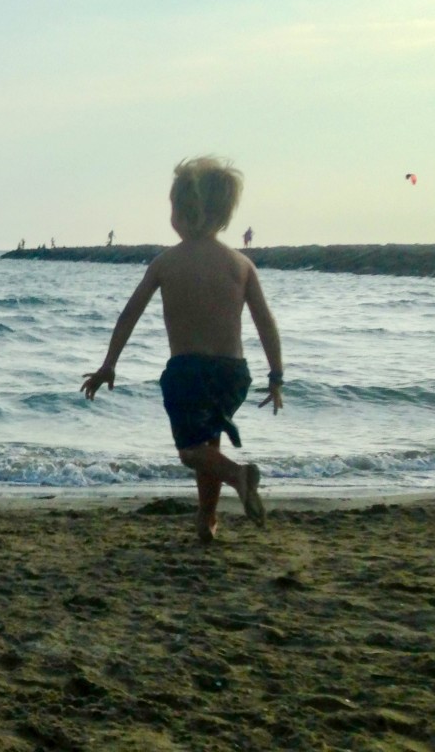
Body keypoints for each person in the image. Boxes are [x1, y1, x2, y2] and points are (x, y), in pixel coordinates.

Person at [80, 157, 284, 542]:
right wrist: (276, 376)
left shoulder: (166, 262)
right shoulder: (241, 265)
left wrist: (109, 364)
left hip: (189, 372)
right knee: (210, 443)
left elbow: (130, 314)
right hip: (233, 374)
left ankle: (239, 476)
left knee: (191, 451)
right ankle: (207, 520)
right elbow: (265, 323)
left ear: (184, 212)